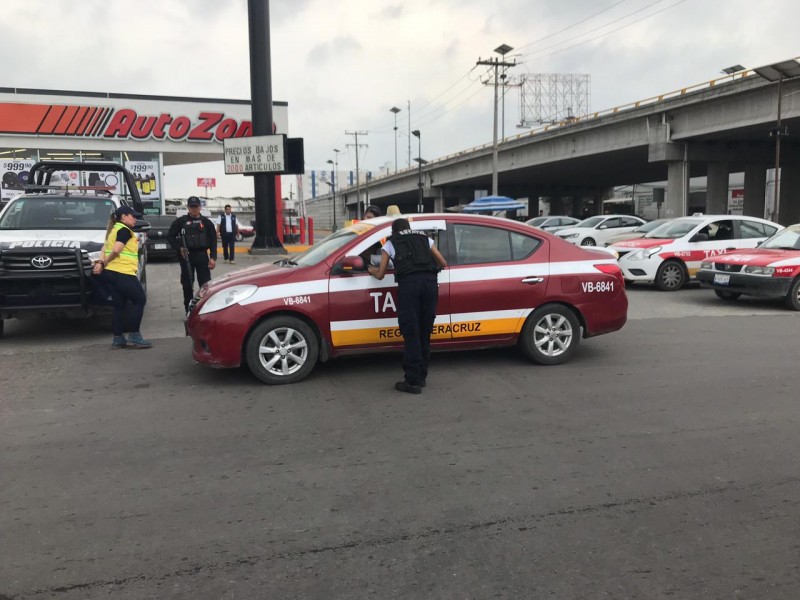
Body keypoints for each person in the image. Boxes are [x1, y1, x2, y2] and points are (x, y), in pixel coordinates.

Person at [369, 218, 447, 394]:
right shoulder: (424, 238)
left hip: (409, 286)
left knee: (411, 331)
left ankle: (412, 382)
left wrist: (371, 270)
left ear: (394, 231)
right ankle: (422, 377)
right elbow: (442, 262)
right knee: (425, 330)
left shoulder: (390, 243)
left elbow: (380, 274)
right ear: (409, 228)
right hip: (430, 284)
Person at [92, 206, 152, 349]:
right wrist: (105, 262)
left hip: (111, 273)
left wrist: (101, 263)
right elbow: (117, 249)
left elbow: (103, 248)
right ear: (123, 217)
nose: (135, 219)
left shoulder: (113, 230)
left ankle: (118, 338)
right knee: (139, 300)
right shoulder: (124, 230)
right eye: (133, 216)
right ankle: (134, 334)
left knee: (119, 305)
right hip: (123, 272)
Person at [167, 196, 217, 313]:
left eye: (196, 206)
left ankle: (204, 309)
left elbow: (213, 240)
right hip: (187, 257)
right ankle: (189, 310)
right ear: (188, 207)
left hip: (202, 256)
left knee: (205, 285)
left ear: (200, 207)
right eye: (191, 207)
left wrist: (213, 257)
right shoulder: (181, 221)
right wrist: (179, 248)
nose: (194, 209)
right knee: (187, 284)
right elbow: (170, 236)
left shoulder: (206, 222)